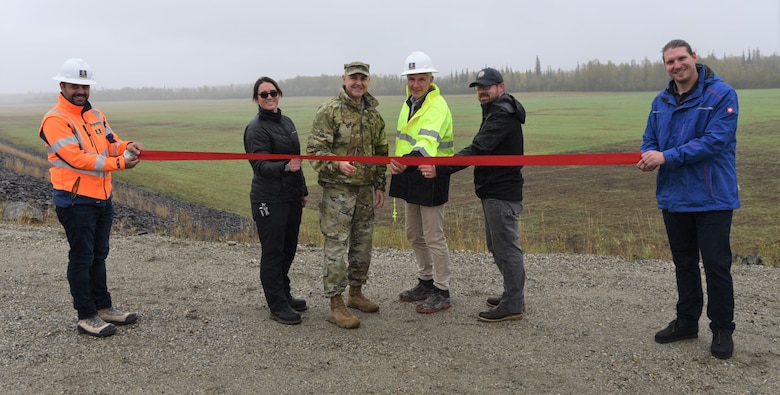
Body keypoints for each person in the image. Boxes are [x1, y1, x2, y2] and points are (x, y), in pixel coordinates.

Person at [637, 39, 739, 359]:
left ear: (694, 57)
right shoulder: (661, 101)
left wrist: (664, 156)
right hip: (674, 196)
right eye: (670, 62)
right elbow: (649, 139)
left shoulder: (722, 95)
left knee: (716, 265)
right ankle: (686, 321)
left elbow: (713, 142)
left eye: (681, 58)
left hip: (713, 197)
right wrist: (648, 155)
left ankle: (722, 328)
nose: (676, 65)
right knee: (684, 263)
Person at [38, 58, 142, 337]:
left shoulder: (95, 114)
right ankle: (86, 315)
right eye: (75, 85)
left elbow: (111, 143)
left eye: (84, 85)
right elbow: (76, 158)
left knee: (99, 255)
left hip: (101, 197)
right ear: (62, 86)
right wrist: (120, 163)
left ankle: (104, 308)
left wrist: (127, 146)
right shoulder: (55, 120)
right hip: (75, 200)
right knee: (82, 257)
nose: (81, 91)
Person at [419, 67, 526, 322]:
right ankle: (513, 295)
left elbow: (479, 149)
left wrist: (440, 168)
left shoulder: (501, 114)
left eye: (486, 87)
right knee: (498, 246)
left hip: (501, 191)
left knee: (506, 248)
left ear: (501, 87)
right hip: (494, 189)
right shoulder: (498, 110)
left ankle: (513, 303)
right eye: (479, 87)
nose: (481, 91)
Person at [306, 61, 388, 329]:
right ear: (344, 79)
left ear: (368, 81)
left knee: (362, 244)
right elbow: (315, 151)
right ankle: (335, 304)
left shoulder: (374, 116)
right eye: (353, 78)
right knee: (337, 246)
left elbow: (381, 153)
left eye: (362, 79)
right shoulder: (329, 111)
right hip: (338, 192)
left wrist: (379, 184)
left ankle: (355, 293)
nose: (358, 83)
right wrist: (338, 163)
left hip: (365, 191)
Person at [389, 51, 455, 314]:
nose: (415, 84)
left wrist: (405, 161)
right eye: (411, 79)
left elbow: (426, 143)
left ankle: (442, 289)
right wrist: (400, 164)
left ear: (431, 79)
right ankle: (425, 281)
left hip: (430, 174)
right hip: (409, 173)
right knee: (414, 234)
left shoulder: (436, 105)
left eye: (420, 79)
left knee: (433, 237)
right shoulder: (410, 103)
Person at [244, 77, 309, 325]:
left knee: (289, 248)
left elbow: (297, 160)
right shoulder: (256, 128)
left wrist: (301, 189)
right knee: (273, 252)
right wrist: (285, 167)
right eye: (263, 94)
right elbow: (260, 166)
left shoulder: (287, 121)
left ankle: (284, 293)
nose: (269, 97)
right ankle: (277, 305)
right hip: (269, 199)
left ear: (279, 94)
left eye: (273, 92)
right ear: (257, 99)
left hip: (291, 196)